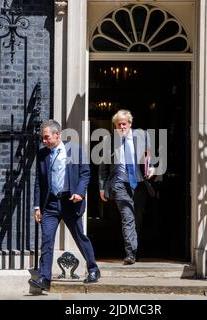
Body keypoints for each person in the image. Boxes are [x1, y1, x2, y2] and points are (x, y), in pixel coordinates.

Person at [29, 120, 100, 292]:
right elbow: (39, 181)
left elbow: (85, 173)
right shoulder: (42, 154)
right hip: (50, 204)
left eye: (46, 137)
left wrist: (80, 192)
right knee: (47, 241)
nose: (44, 141)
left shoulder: (75, 150)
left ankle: (93, 269)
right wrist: (37, 206)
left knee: (79, 237)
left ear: (57, 135)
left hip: (70, 202)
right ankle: (45, 279)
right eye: (42, 138)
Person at [99, 110, 153, 265]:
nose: (121, 127)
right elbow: (103, 167)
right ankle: (130, 253)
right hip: (119, 183)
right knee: (127, 217)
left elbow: (151, 158)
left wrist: (152, 168)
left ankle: (135, 249)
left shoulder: (142, 136)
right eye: (118, 125)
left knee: (137, 219)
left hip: (139, 183)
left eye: (124, 124)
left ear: (130, 123)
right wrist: (102, 187)